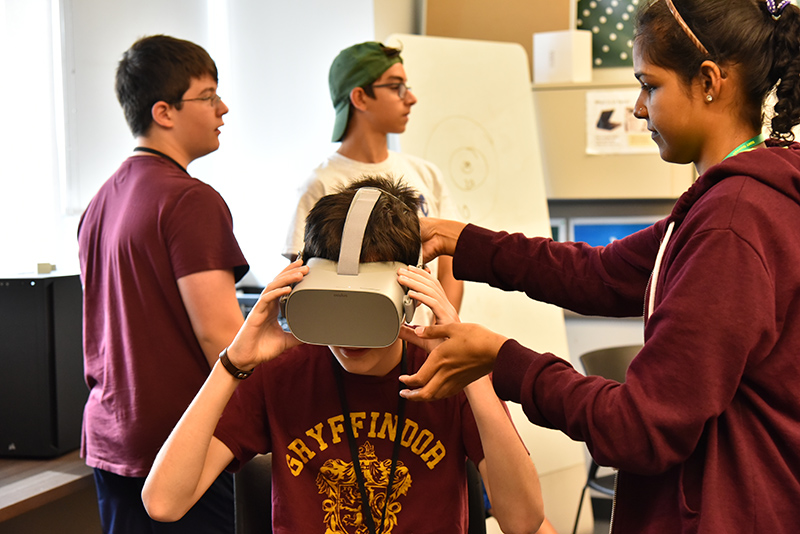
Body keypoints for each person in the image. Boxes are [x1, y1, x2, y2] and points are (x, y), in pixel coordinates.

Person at [396, 1, 800, 533]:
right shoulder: (735, 200)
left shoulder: (733, 221)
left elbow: (640, 428)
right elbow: (602, 275)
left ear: (708, 81)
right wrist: (460, 240)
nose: (636, 107)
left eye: (648, 86)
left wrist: (502, 360)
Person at [142, 177, 547, 534]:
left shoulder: (450, 375)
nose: (349, 338)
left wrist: (468, 366)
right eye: (334, 307)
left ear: (409, 298)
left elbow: (523, 523)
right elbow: (163, 503)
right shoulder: (281, 374)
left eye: (368, 309)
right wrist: (233, 364)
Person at [77, 35, 247, 533]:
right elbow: (222, 338)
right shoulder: (190, 201)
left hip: (112, 437)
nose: (223, 107)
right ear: (164, 112)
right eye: (208, 95)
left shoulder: (100, 201)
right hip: (179, 447)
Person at [283, 41, 464, 322]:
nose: (411, 98)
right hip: (358, 342)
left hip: (422, 346)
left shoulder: (426, 174)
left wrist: (443, 329)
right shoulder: (321, 184)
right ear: (360, 97)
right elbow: (301, 275)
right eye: (396, 87)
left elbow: (451, 264)